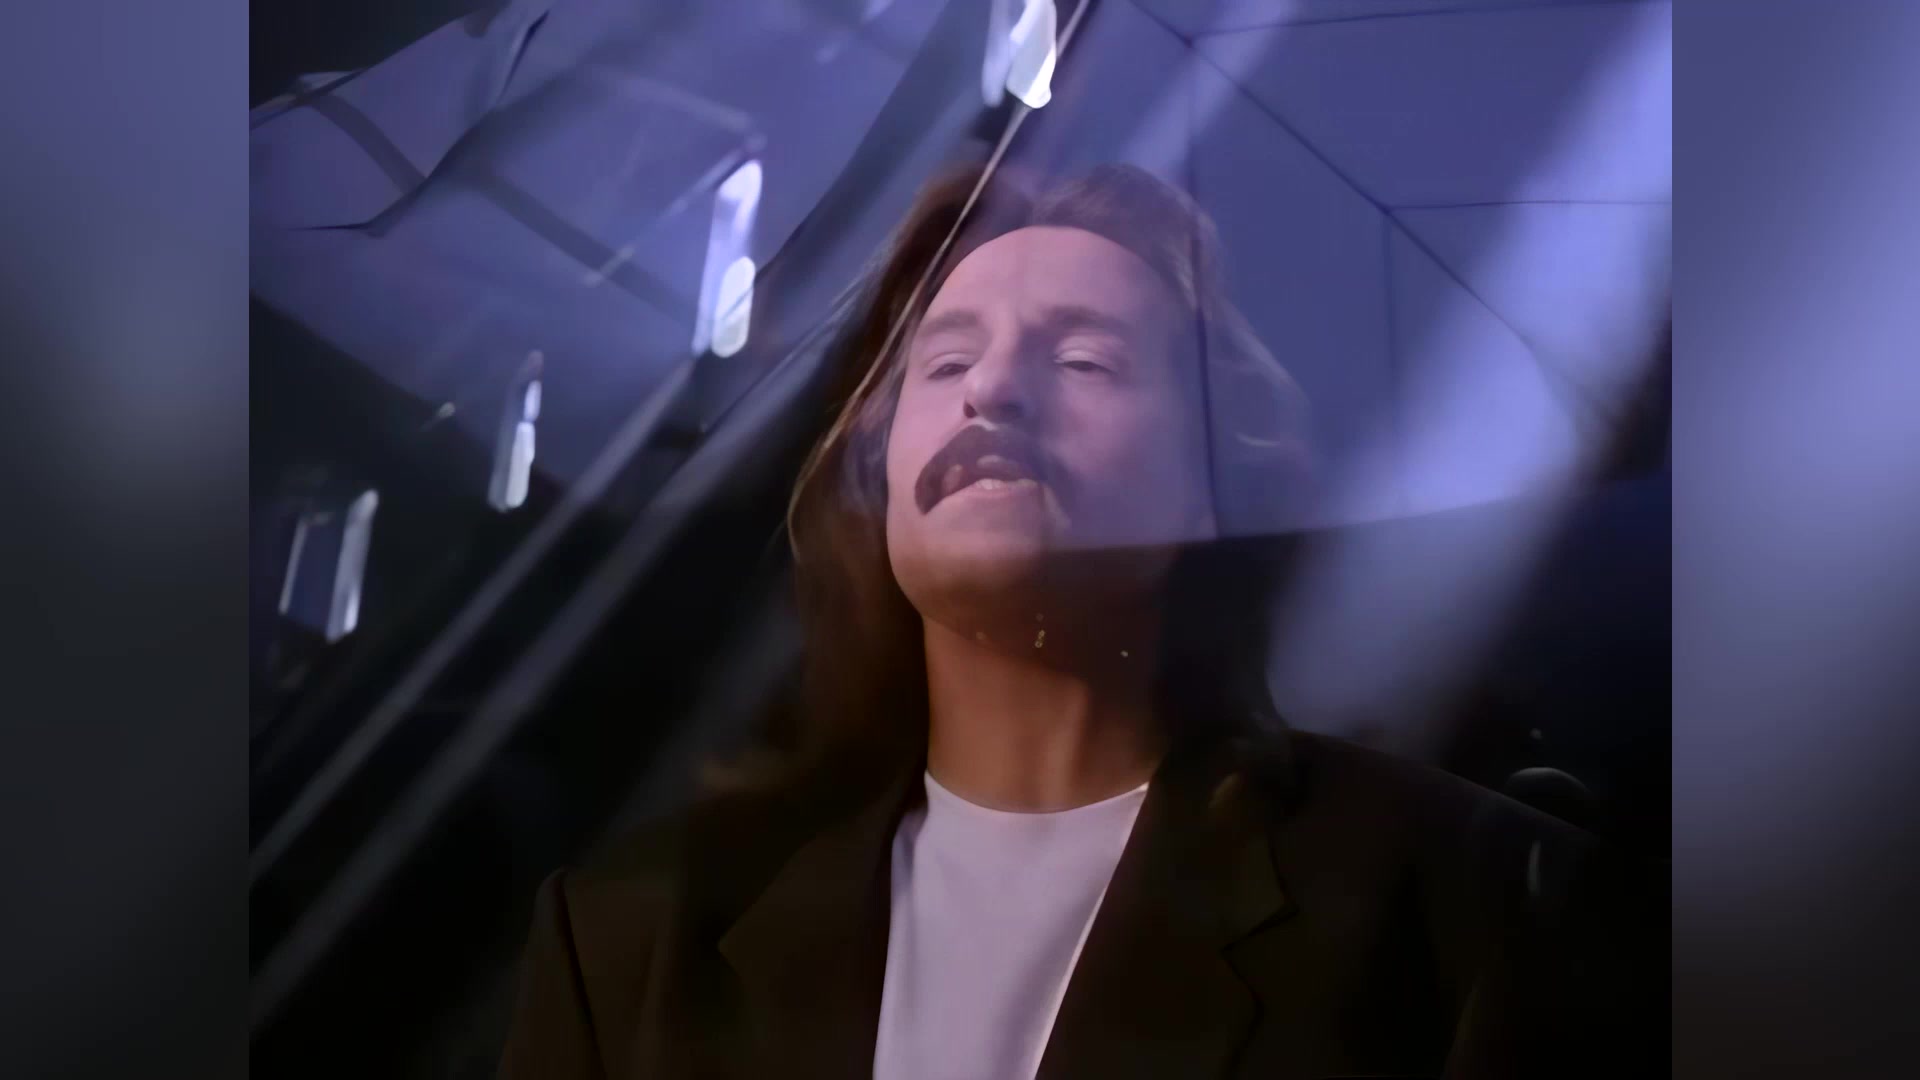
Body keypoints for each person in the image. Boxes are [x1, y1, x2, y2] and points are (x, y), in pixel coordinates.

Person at [498, 163, 1653, 1079]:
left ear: (1210, 490)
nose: (992, 390)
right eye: (945, 361)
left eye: (1086, 359)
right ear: (880, 478)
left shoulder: (1470, 904)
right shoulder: (629, 945)